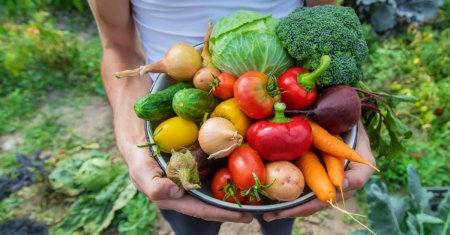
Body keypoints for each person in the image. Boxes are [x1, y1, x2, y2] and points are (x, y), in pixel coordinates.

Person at [87, 0, 376, 234]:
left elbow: (325, 32)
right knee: (191, 226)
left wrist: (346, 113)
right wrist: (130, 143)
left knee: (281, 213)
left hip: (294, 96)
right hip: (179, 89)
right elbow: (117, 47)